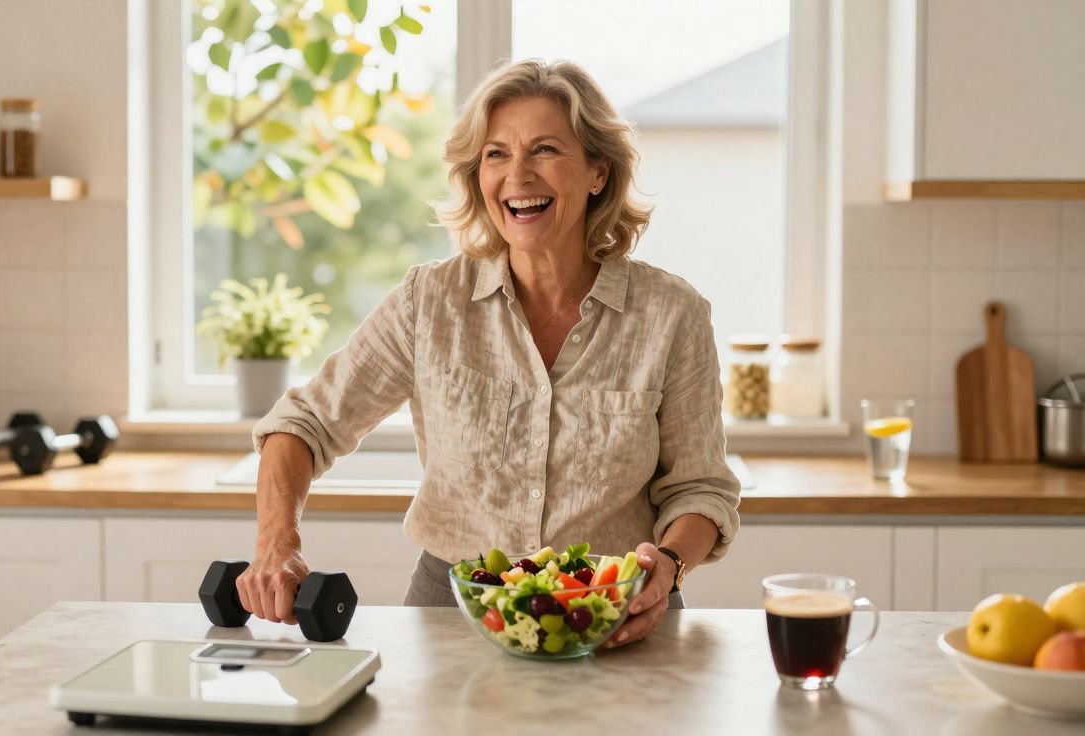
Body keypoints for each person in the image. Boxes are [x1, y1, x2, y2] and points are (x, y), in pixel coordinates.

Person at [238, 59, 740, 648]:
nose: (518, 176)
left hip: (615, 617)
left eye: (545, 150)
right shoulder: (429, 302)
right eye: (496, 155)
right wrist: (277, 543)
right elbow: (303, 424)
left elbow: (700, 489)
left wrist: (670, 565)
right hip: (453, 613)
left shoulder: (672, 314)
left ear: (598, 171)